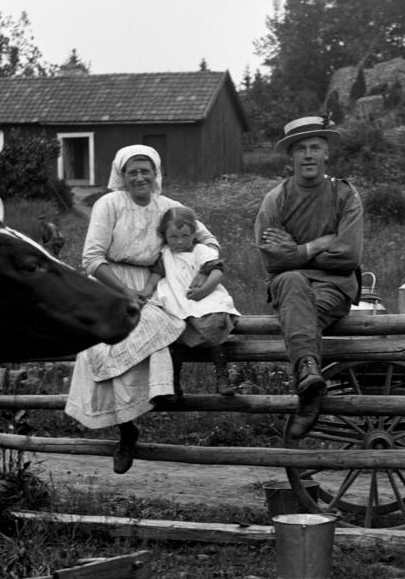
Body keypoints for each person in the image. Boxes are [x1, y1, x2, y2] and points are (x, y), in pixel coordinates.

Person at [65, 144, 219, 474]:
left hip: (154, 282)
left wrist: (198, 268)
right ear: (121, 175)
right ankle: (126, 429)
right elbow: (91, 258)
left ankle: (163, 390)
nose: (139, 178)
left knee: (157, 326)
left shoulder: (169, 207)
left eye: (145, 171)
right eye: (132, 172)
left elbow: (209, 241)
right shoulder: (109, 204)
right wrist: (125, 292)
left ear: (155, 174)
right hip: (109, 284)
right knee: (105, 344)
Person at [254, 116, 364, 441]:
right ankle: (309, 380)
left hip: (334, 287)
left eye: (315, 147)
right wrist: (316, 246)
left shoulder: (345, 195)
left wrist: (294, 252)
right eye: (300, 149)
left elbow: (348, 256)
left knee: (295, 296)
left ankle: (307, 381)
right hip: (288, 286)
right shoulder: (276, 200)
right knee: (291, 281)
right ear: (291, 156)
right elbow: (272, 260)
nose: (308, 155)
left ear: (326, 152)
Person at [144, 206, 240, 397]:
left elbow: (217, 272)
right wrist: (146, 290)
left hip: (204, 295)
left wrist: (204, 291)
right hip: (176, 297)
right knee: (175, 328)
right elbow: (156, 274)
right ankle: (174, 383)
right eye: (173, 237)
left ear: (194, 233)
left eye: (185, 236)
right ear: (165, 236)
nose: (179, 241)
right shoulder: (165, 254)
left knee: (214, 322)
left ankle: (222, 376)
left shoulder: (202, 251)